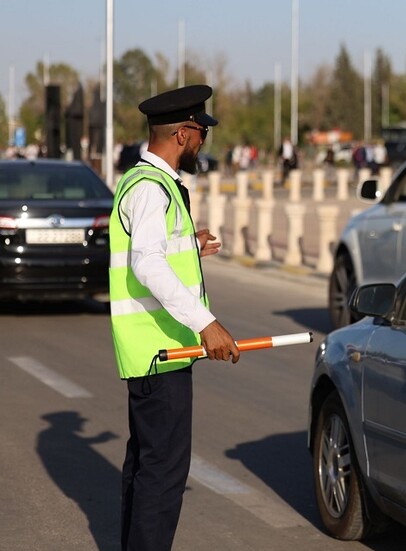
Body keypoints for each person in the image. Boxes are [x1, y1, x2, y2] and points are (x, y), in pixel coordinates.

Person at [108, 84, 240, 551]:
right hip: (160, 353)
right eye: (201, 132)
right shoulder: (150, 188)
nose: (203, 141)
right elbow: (146, 263)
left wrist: (190, 245)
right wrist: (206, 323)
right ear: (183, 133)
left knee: (145, 470)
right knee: (162, 477)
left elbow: (153, 252)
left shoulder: (146, 182)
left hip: (155, 354)